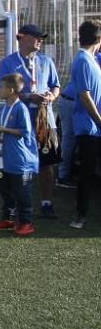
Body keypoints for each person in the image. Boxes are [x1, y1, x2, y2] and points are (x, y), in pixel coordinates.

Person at [0, 24, 61, 219]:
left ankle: (46, 203)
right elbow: (2, 92)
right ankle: (15, 206)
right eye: (36, 37)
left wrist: (51, 97)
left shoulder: (46, 61)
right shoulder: (8, 63)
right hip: (19, 119)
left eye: (41, 37)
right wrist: (27, 96)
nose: (40, 40)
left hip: (44, 118)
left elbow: (56, 86)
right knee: (17, 163)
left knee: (47, 162)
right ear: (21, 37)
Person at [0, 74, 38, 236]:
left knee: (21, 193)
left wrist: (4, 130)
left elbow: (25, 132)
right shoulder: (2, 107)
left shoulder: (20, 108)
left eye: (1, 87)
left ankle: (26, 222)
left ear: (10, 90)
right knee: (5, 190)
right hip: (4, 158)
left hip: (19, 160)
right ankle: (8, 219)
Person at [69, 19, 101, 229]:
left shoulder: (91, 59)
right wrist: (99, 120)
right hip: (89, 128)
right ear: (98, 39)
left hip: (95, 127)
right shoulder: (82, 60)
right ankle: (81, 215)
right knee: (87, 173)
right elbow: (84, 95)